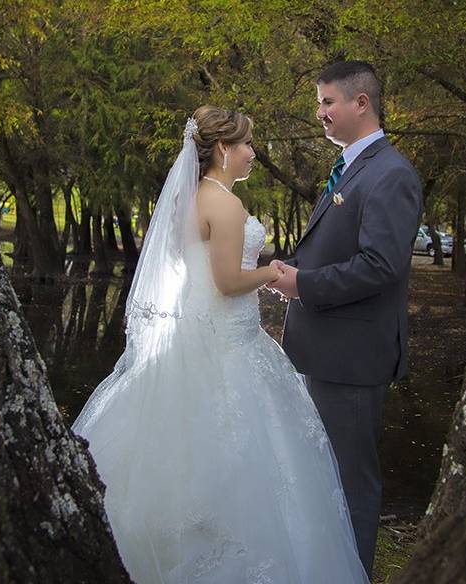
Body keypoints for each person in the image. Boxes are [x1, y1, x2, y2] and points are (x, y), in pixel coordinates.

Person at [71, 105, 369, 583]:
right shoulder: (225, 203)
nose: (253, 154)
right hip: (230, 344)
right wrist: (273, 273)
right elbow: (229, 281)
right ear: (225, 150)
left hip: (197, 336)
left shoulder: (189, 200)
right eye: (247, 144)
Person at [268, 60, 423, 577]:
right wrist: (288, 268)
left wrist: (302, 285)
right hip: (326, 350)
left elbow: (379, 266)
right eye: (319, 103)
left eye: (328, 102)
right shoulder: (354, 167)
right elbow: (332, 249)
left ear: (362, 103)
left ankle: (354, 572)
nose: (320, 113)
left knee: (351, 480)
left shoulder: (391, 173)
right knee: (324, 472)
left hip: (354, 359)